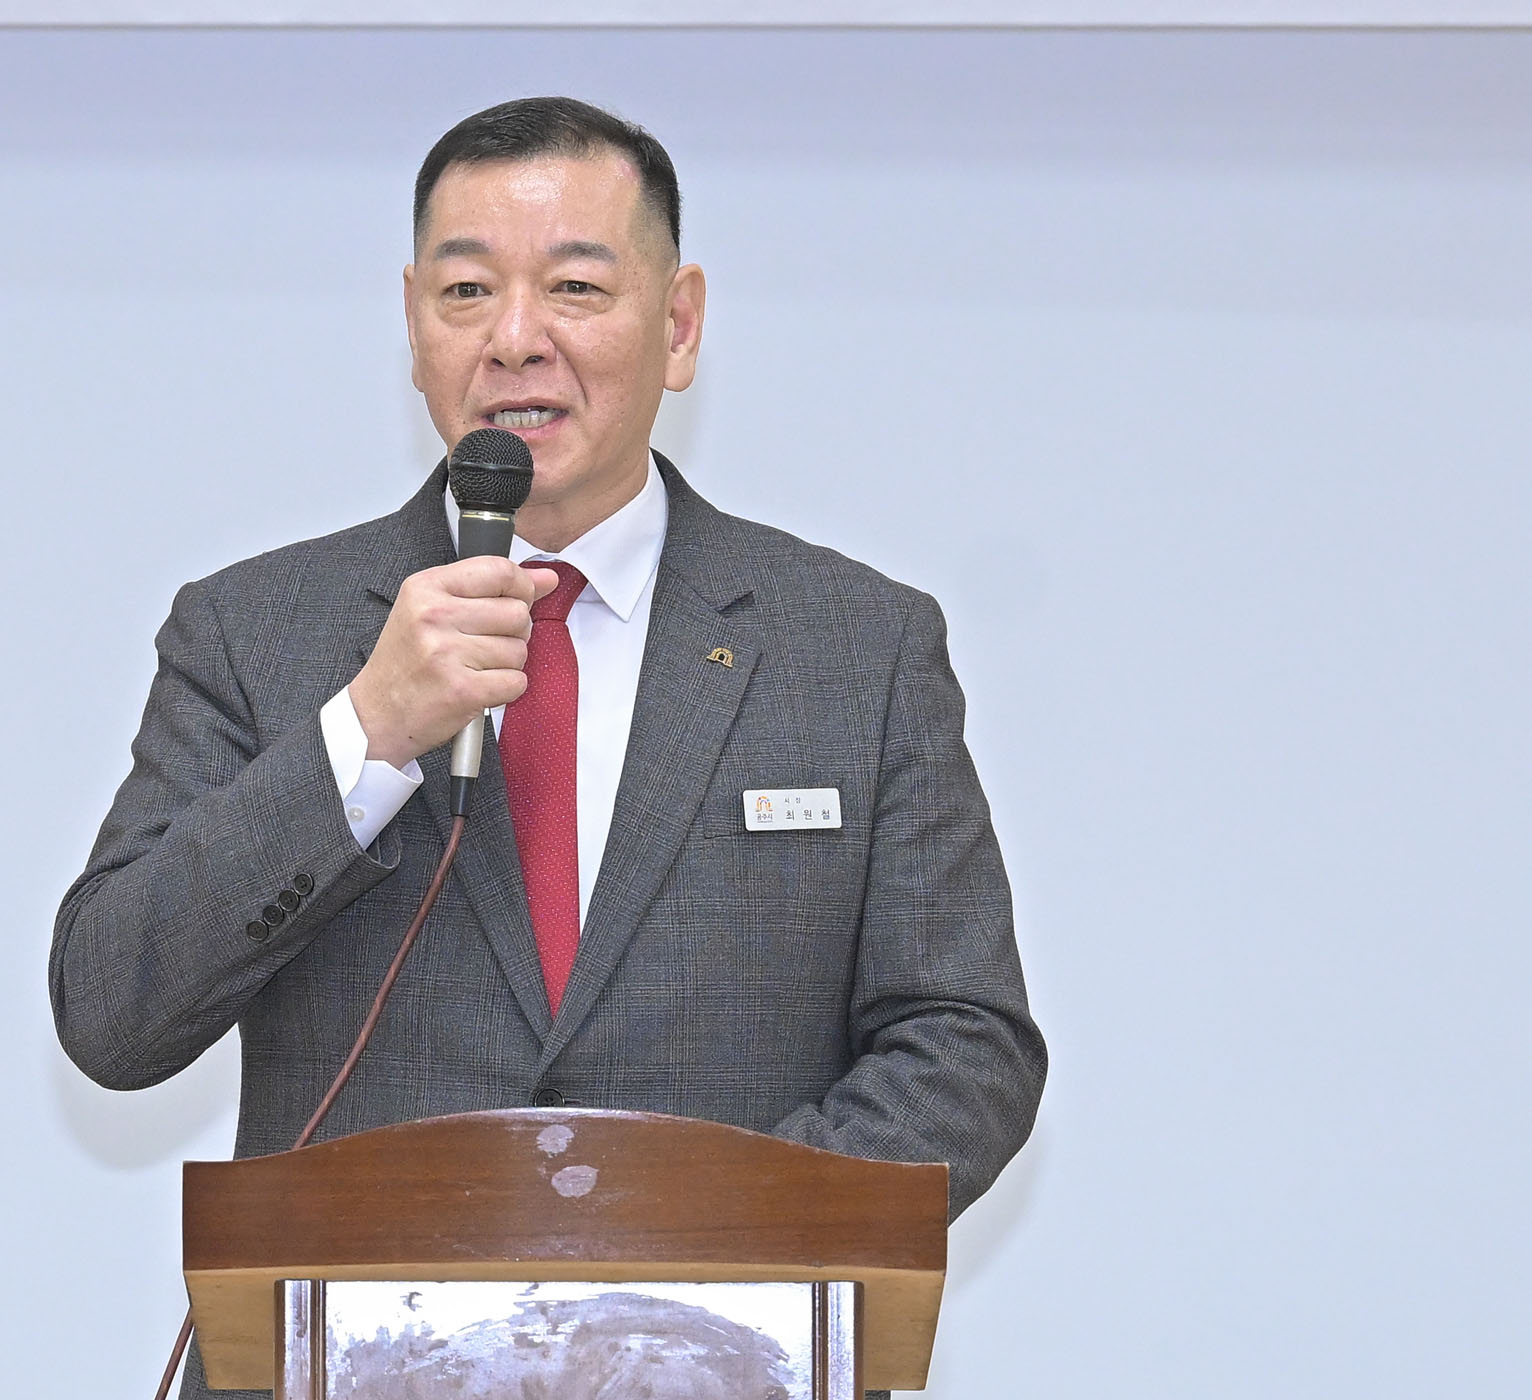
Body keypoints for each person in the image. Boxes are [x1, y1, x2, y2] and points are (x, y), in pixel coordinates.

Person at [52, 96, 1045, 1399]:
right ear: (414, 325)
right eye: (467, 290)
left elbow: (966, 1043)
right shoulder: (254, 632)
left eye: (575, 287)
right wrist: (365, 735)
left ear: (678, 325)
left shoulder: (856, 646)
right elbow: (111, 1013)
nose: (516, 337)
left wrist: (721, 1237)